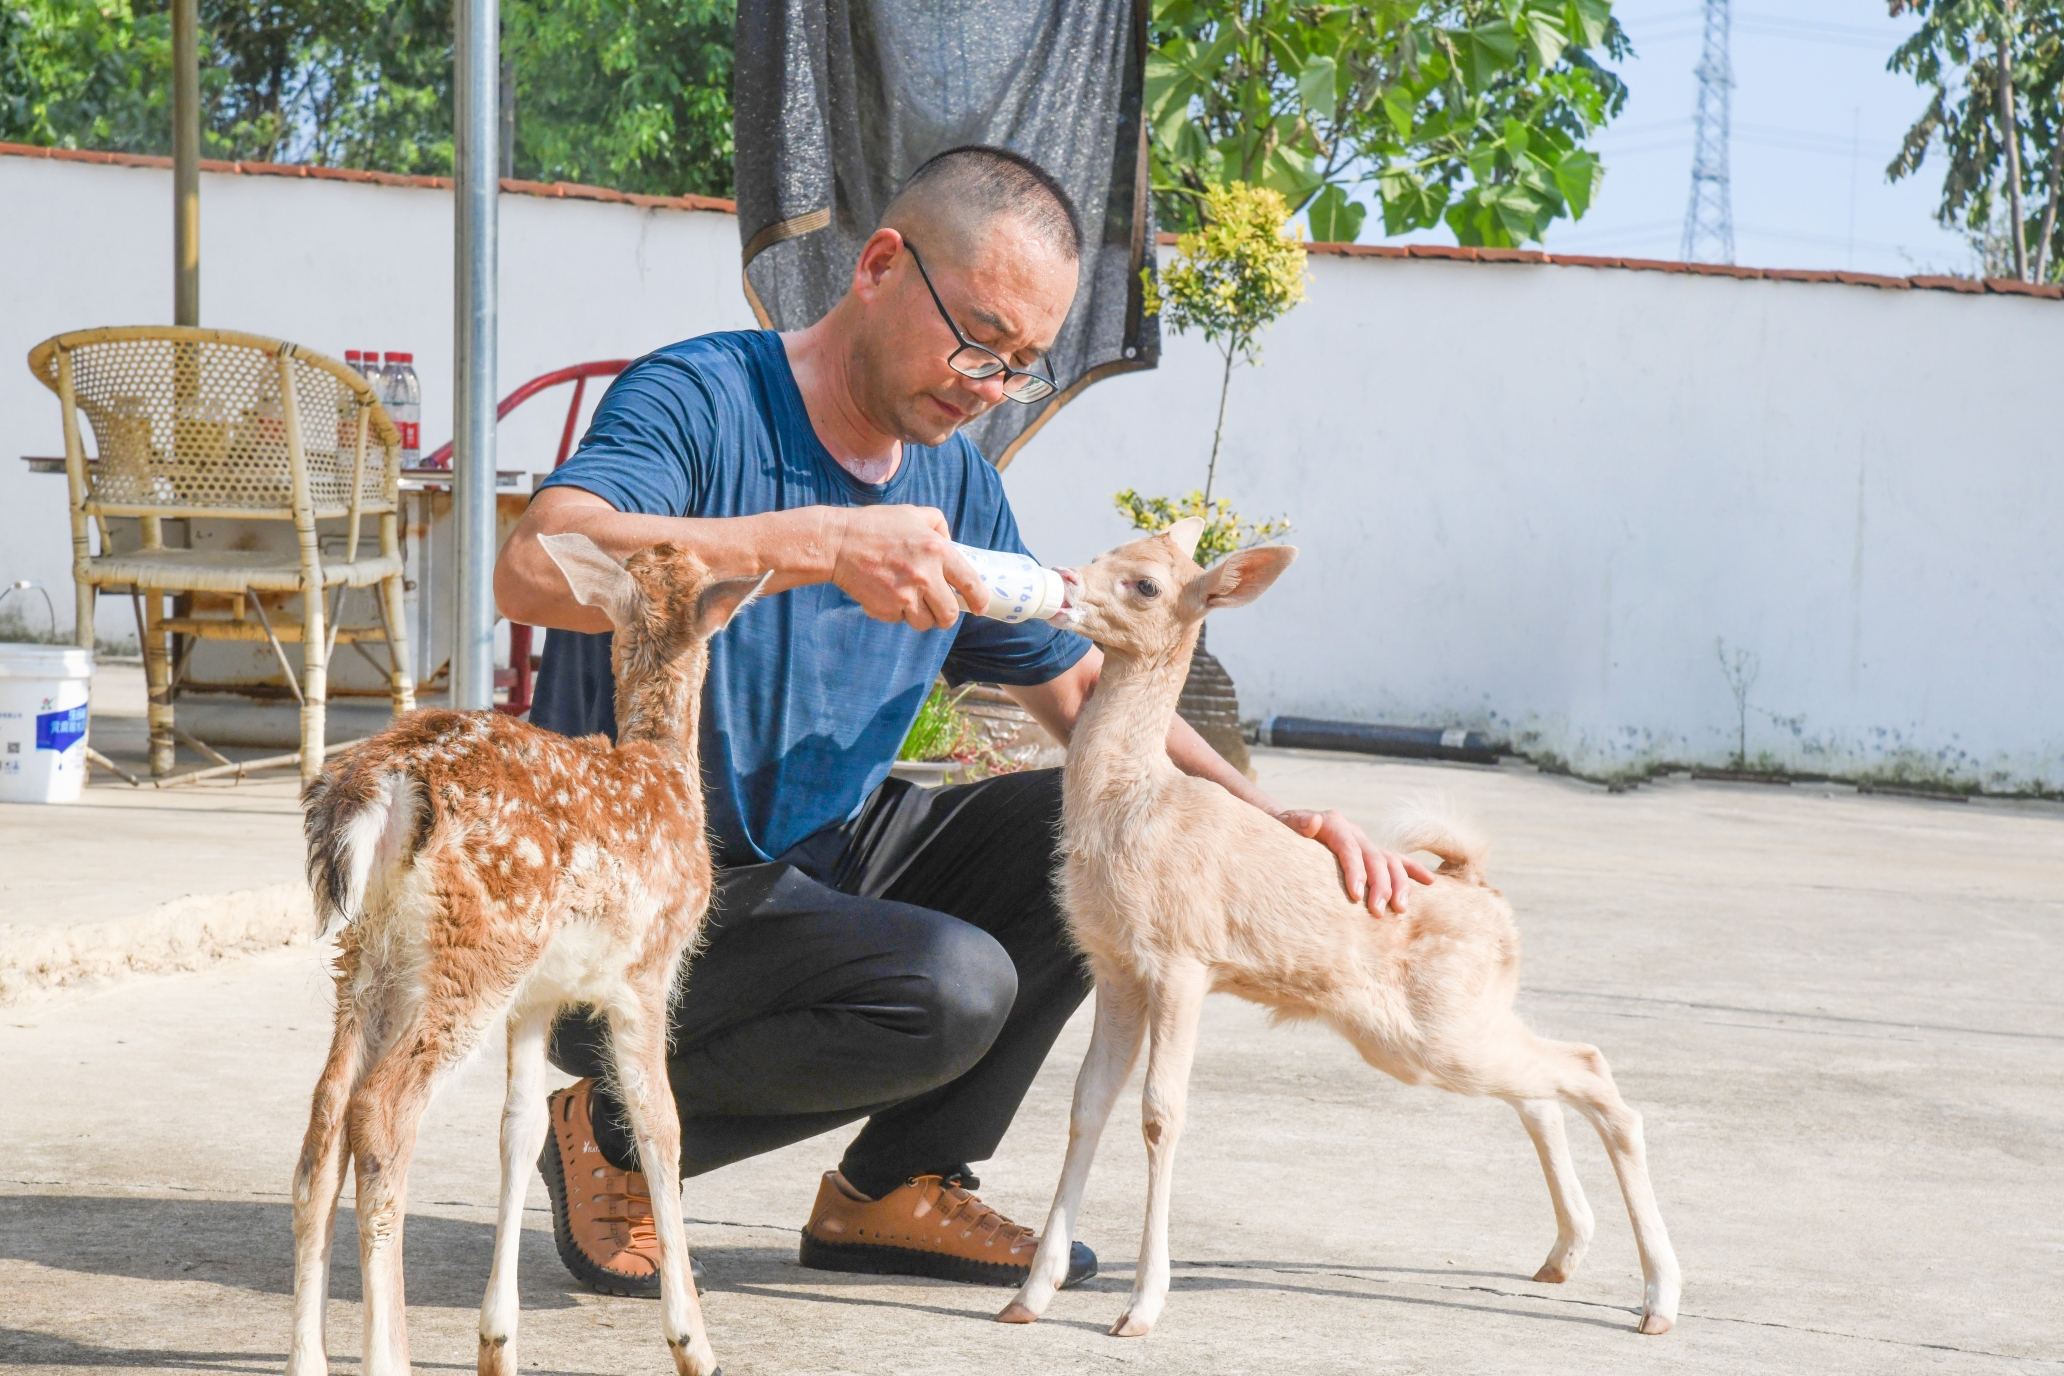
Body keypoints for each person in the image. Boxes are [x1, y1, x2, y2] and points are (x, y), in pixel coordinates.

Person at [493, 144, 1432, 1299]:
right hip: (640, 889)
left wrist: (1281, 824)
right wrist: (820, 543)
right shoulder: (701, 397)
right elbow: (536, 562)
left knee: (1103, 833)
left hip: (817, 863)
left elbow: (1093, 695)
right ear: (881, 265)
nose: (988, 383)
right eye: (977, 339)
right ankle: (613, 1127)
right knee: (949, 985)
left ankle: (891, 1183)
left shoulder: (954, 483)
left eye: (1020, 366)